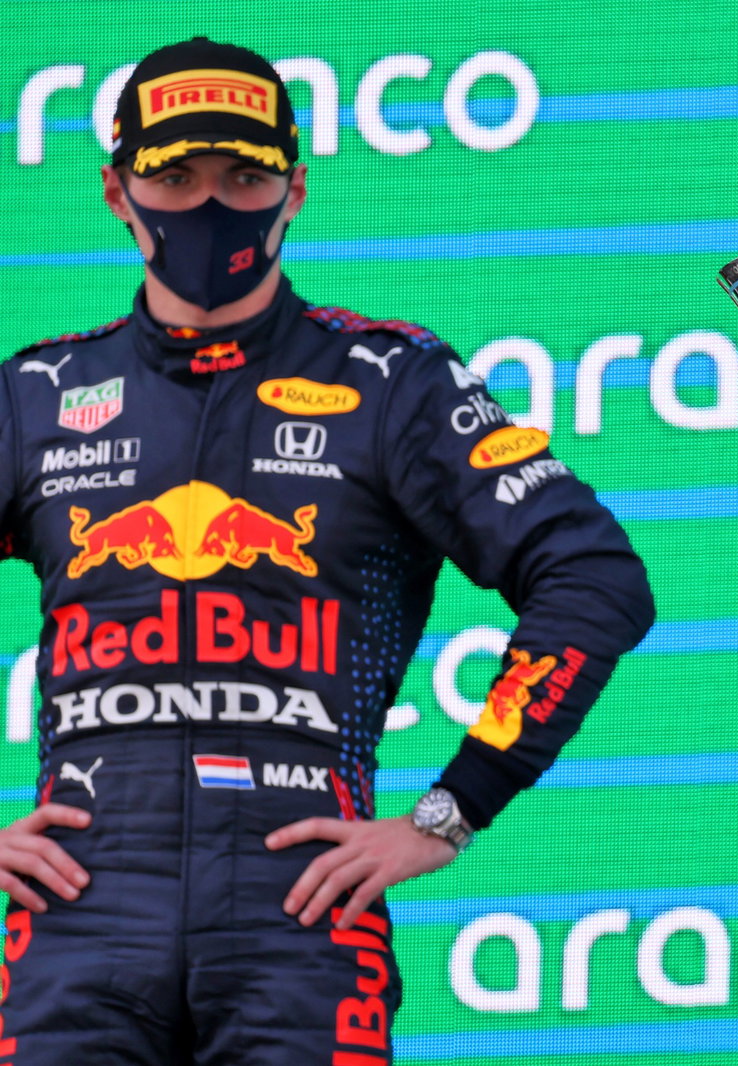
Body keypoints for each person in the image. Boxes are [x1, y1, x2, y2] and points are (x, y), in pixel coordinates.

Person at [0, 37, 653, 1064]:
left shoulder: (391, 384)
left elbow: (593, 576)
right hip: (80, 910)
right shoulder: (37, 396)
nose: (209, 204)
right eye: (175, 177)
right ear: (117, 192)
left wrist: (450, 811)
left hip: (301, 913)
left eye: (242, 177)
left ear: (294, 190)